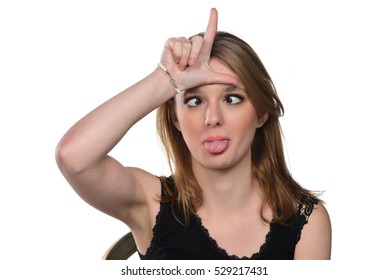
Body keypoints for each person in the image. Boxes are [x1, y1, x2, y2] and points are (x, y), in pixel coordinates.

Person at [55, 8, 331, 260]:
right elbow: (74, 157)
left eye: (232, 99)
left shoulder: (308, 222)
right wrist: (165, 80)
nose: (212, 119)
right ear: (175, 117)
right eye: (195, 101)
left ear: (260, 113)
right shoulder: (149, 202)